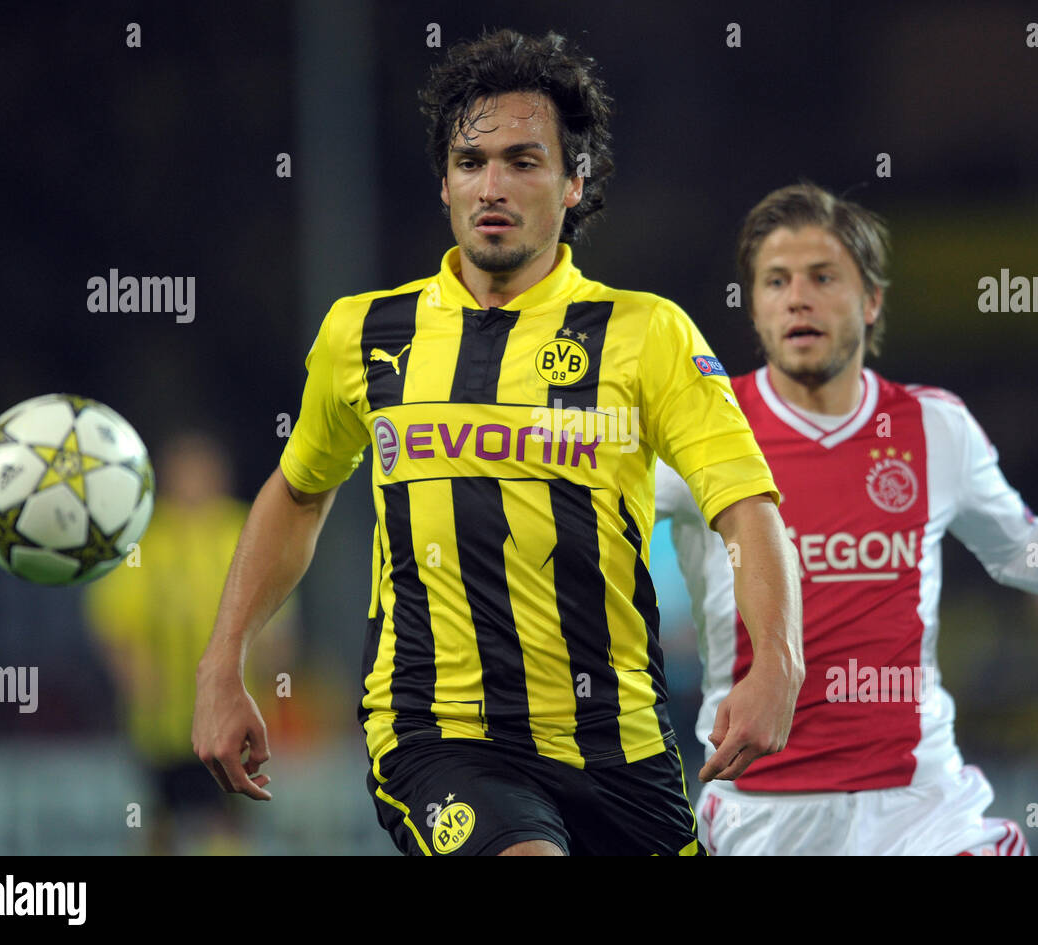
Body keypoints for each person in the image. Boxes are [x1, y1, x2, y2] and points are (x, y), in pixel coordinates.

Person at [192, 29, 802, 856]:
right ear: (444, 182)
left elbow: (744, 505)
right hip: (437, 733)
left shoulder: (646, 334)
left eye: (524, 160)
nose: (493, 185)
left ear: (574, 183)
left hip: (618, 742)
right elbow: (299, 492)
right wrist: (223, 662)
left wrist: (779, 662)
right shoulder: (365, 333)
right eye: (471, 161)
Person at [655, 180, 1038, 855]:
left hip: (922, 806)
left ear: (872, 300)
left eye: (823, 277)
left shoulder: (933, 426)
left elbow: (1019, 546)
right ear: (755, 308)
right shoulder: (703, 430)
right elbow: (585, 518)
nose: (799, 296)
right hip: (766, 808)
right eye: (775, 281)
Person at [88, 431, 292, 855]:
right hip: (165, 722)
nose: (194, 481)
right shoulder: (146, 539)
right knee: (161, 819)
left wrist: (276, 666)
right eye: (185, 471)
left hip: (233, 715)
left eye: (202, 470)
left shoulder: (244, 529)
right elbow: (114, 619)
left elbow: (276, 608)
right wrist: (133, 675)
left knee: (228, 813)